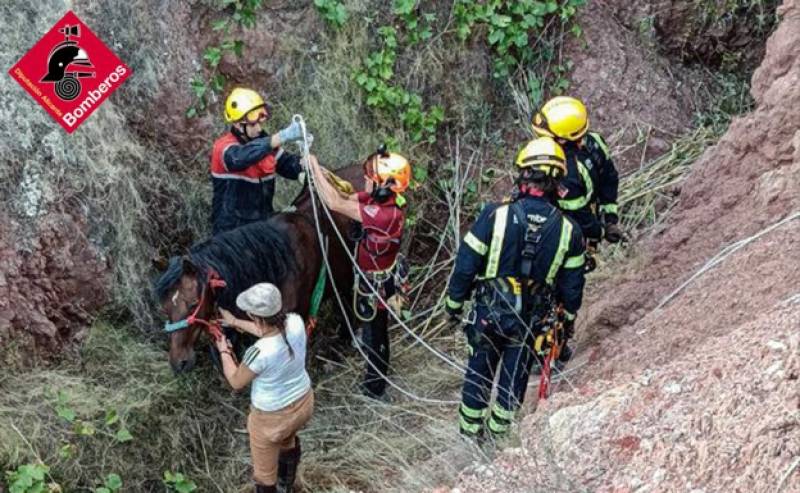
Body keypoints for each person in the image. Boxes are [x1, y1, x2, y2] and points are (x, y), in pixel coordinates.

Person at [444, 137, 586, 439]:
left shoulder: (495, 215)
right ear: (556, 181)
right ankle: (498, 442)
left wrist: (454, 306)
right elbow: (572, 291)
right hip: (529, 324)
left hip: (489, 315)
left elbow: (465, 265)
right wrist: (566, 325)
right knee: (513, 383)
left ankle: (469, 440)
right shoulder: (570, 231)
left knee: (478, 375)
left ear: (524, 175)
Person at [304, 147, 411, 400]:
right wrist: (323, 175)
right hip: (372, 278)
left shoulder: (384, 215)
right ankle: (375, 381)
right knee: (373, 330)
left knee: (375, 334)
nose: (364, 181)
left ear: (383, 185)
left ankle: (375, 388)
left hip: (376, 285)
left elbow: (334, 203)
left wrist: (314, 166)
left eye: (369, 179)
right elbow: (347, 196)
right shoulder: (383, 201)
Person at [215, 283, 313, 493]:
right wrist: (234, 321)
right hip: (303, 403)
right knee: (287, 440)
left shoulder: (258, 353)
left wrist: (224, 351)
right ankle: (286, 486)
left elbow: (236, 381)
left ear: (255, 317)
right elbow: (270, 332)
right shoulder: (295, 321)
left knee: (264, 475)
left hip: (271, 419)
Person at [532, 96, 622, 271]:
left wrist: (605, 225)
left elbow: (579, 216)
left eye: (546, 136)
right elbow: (610, 179)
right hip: (583, 219)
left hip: (570, 231)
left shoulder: (566, 172)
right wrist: (607, 223)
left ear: (563, 139)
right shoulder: (594, 141)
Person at [210, 87, 308, 235]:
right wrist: (281, 137)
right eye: (253, 124)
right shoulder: (223, 148)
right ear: (238, 124)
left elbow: (286, 164)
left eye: (260, 123)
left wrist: (304, 165)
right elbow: (240, 158)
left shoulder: (263, 141)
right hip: (231, 235)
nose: (259, 129)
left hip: (261, 227)